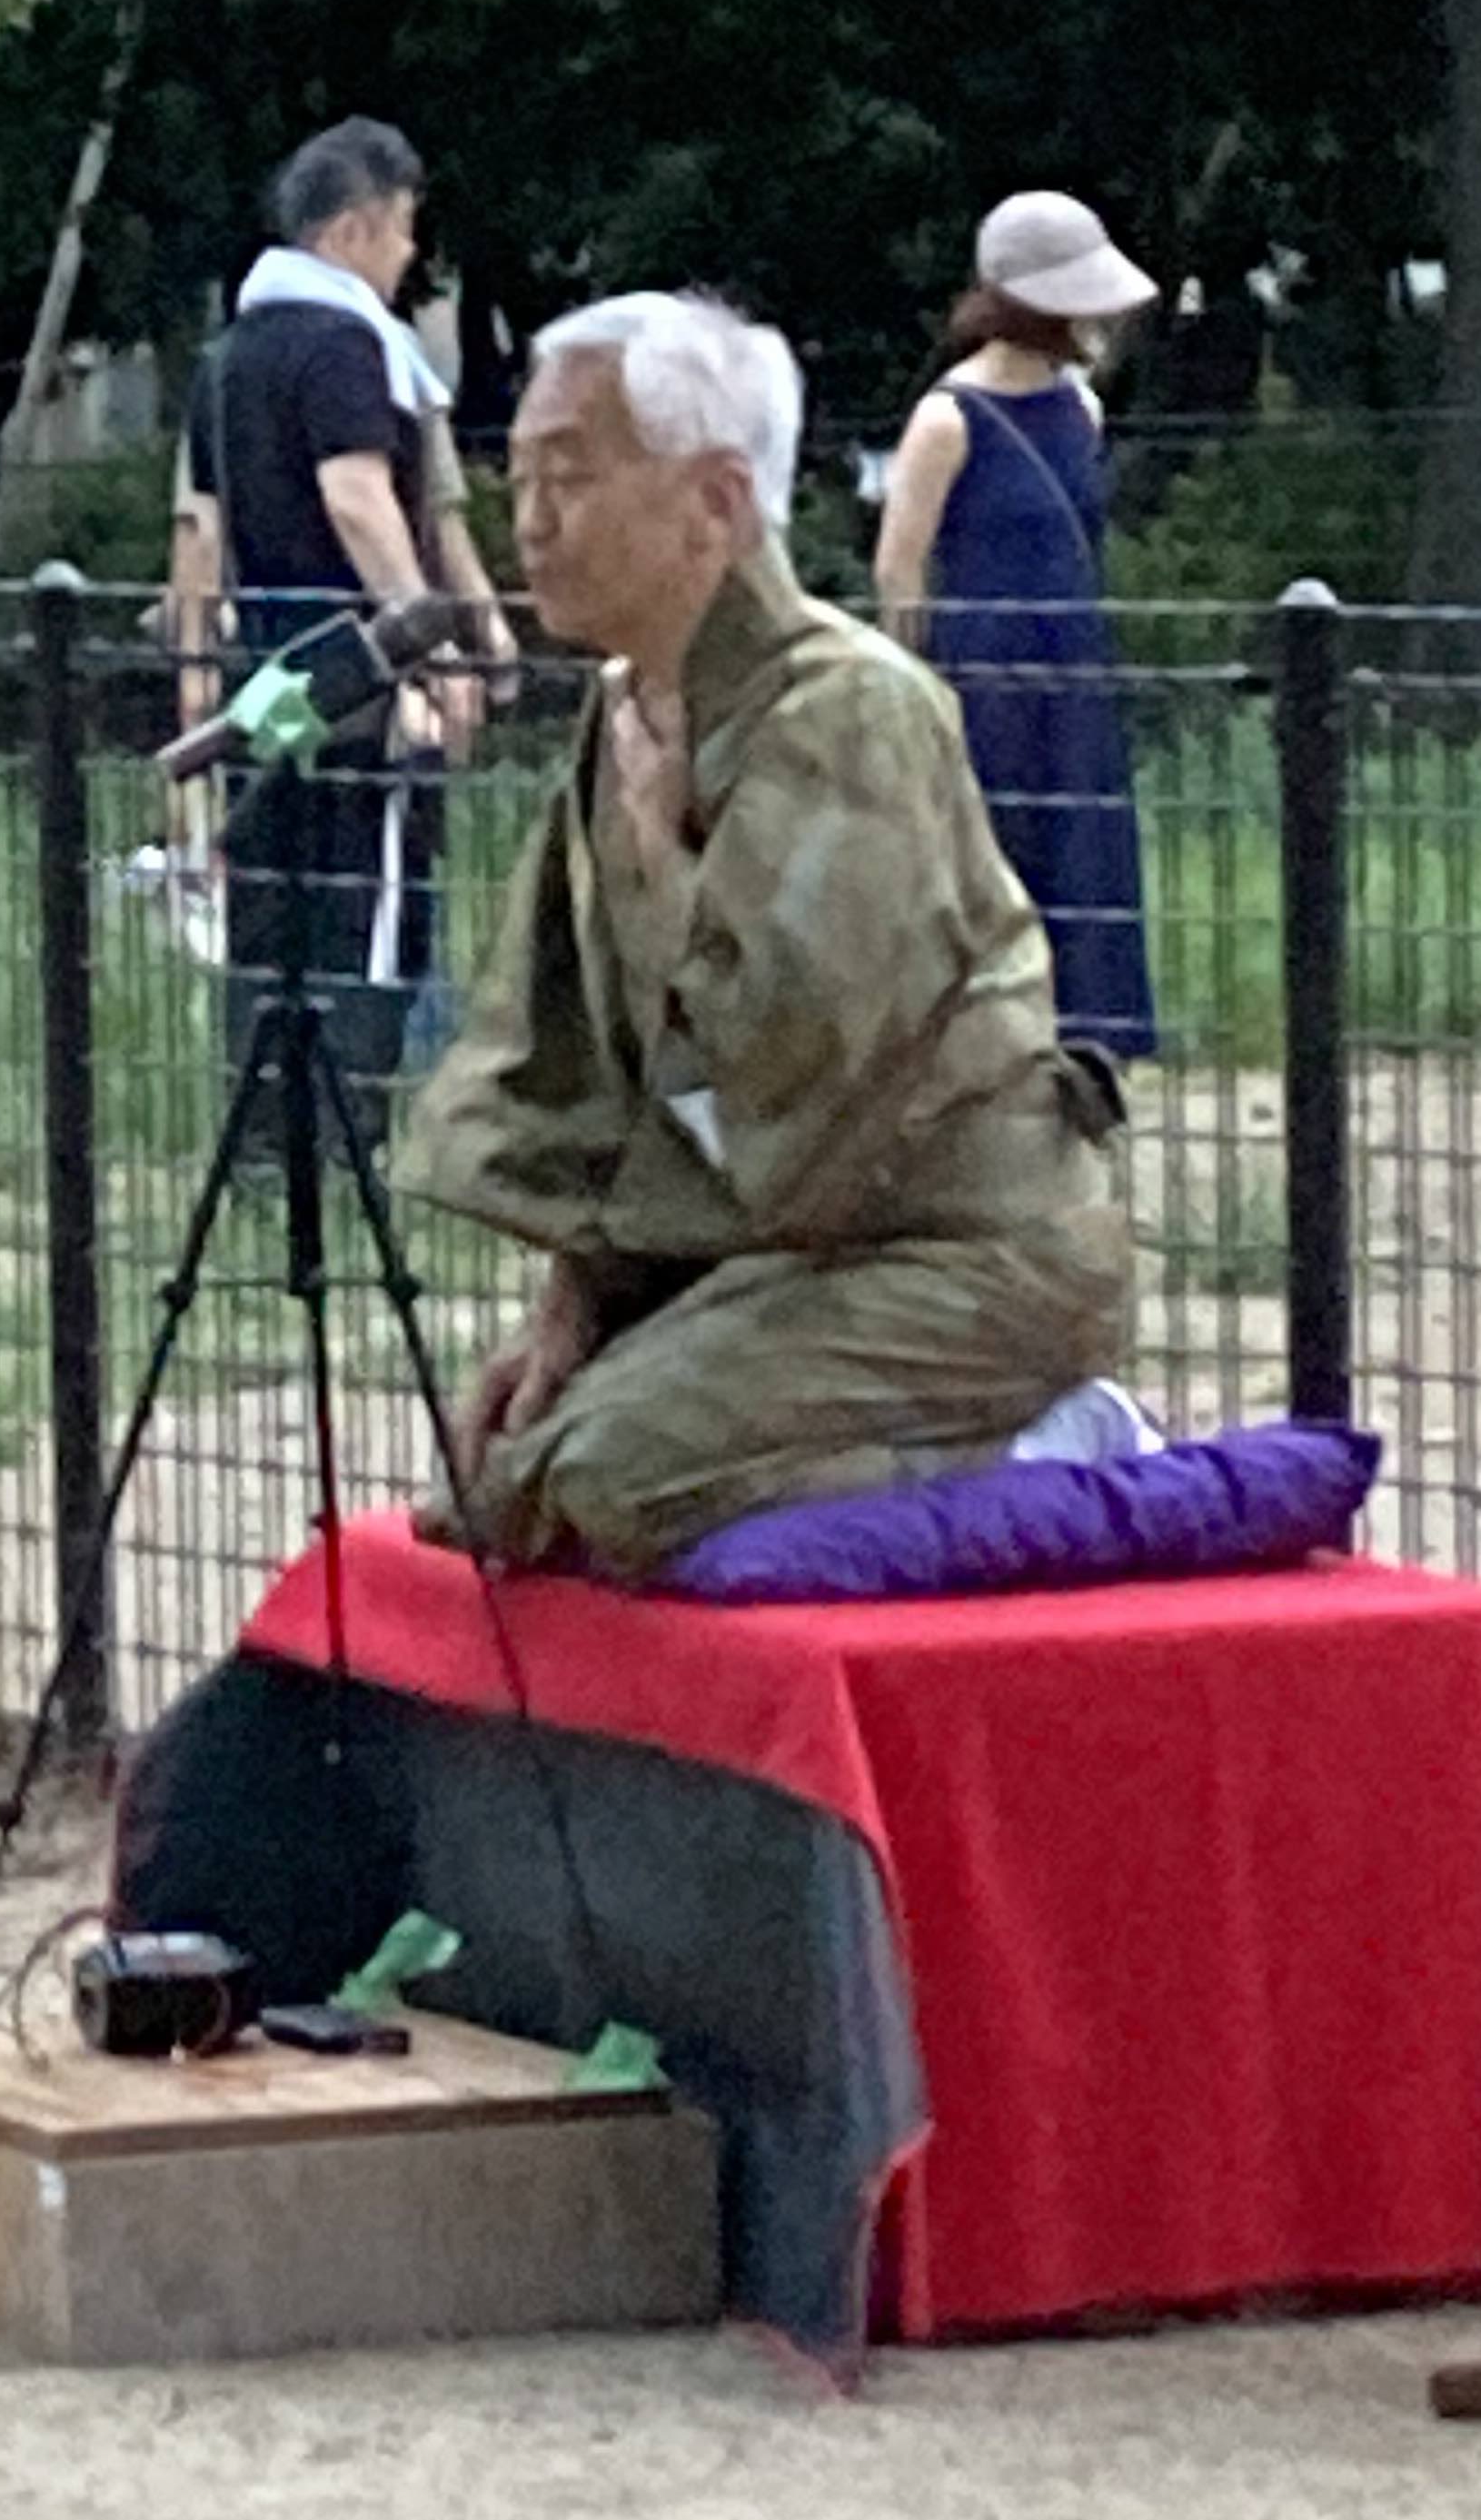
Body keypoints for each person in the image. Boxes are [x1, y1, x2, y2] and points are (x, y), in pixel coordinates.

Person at [401, 289, 1132, 1582]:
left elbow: (791, 1059)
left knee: (603, 1480)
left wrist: (672, 857)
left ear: (718, 504)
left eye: (570, 475)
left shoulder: (852, 711)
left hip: (958, 1250)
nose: (533, 520)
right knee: (493, 1482)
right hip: (788, 1240)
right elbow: (592, 1060)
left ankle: (1044, 1446)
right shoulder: (629, 710)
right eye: (519, 477)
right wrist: (576, 1306)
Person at [175, 119, 515, 1145]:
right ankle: (345, 1132)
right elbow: (359, 496)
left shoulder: (229, 354)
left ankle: (262, 1136)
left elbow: (206, 519)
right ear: (358, 227)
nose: (412, 254)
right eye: (405, 227)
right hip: (358, 671)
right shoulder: (347, 344)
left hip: (263, 670)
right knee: (365, 896)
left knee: (270, 900)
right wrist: (432, 640)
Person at [870, 190, 1160, 1063]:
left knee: (1081, 847)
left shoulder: (1084, 410)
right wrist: (916, 682)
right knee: (994, 847)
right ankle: (984, 1036)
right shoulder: (948, 417)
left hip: (1074, 666)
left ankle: (1088, 1039)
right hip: (983, 673)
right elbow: (900, 560)